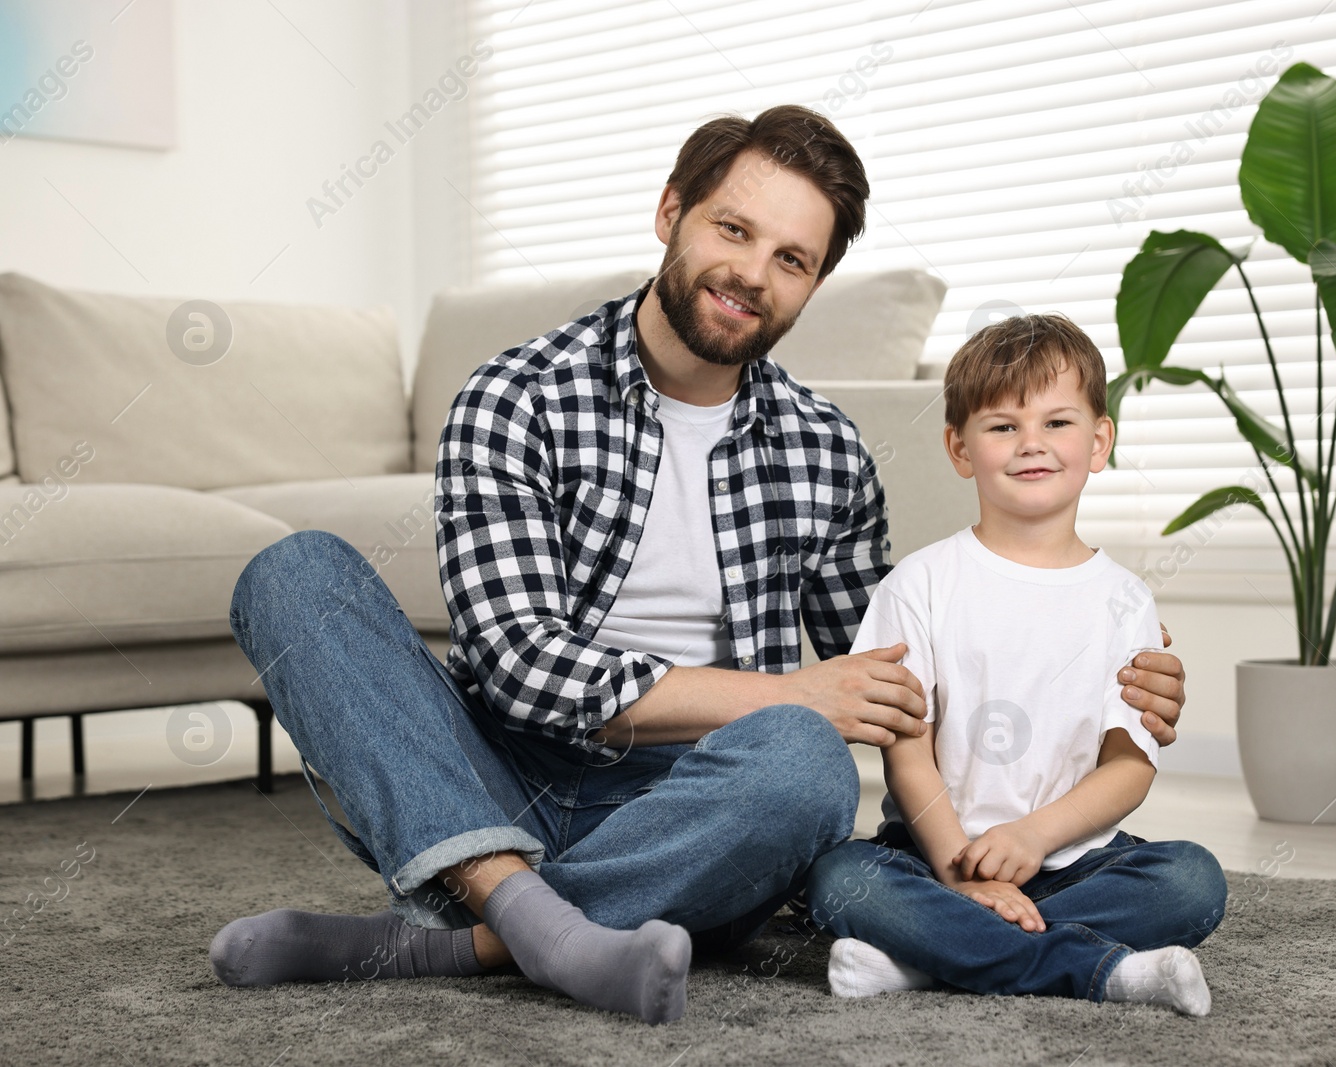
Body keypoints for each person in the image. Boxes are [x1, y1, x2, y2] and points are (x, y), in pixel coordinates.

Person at [208, 105, 1192, 1025]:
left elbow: (901, 673)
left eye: (792, 258)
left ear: (811, 285)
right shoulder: (515, 396)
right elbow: (520, 666)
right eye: (733, 230)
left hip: (709, 805)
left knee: (805, 759)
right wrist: (787, 689)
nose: (752, 272)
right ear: (671, 212)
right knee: (293, 574)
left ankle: (466, 935)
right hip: (507, 772)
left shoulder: (827, 450)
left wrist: (1095, 658)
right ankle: (542, 923)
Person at [806, 313, 1226, 1015]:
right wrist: (960, 872)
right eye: (1003, 426)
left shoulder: (1124, 600)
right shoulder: (918, 584)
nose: (1031, 443)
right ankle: (1101, 971)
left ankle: (925, 961)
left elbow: (1129, 764)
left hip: (1075, 862)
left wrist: (1033, 836)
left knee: (1191, 879)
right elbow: (907, 756)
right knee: (839, 878)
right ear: (960, 447)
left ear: (1099, 442)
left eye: (1057, 423)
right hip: (934, 857)